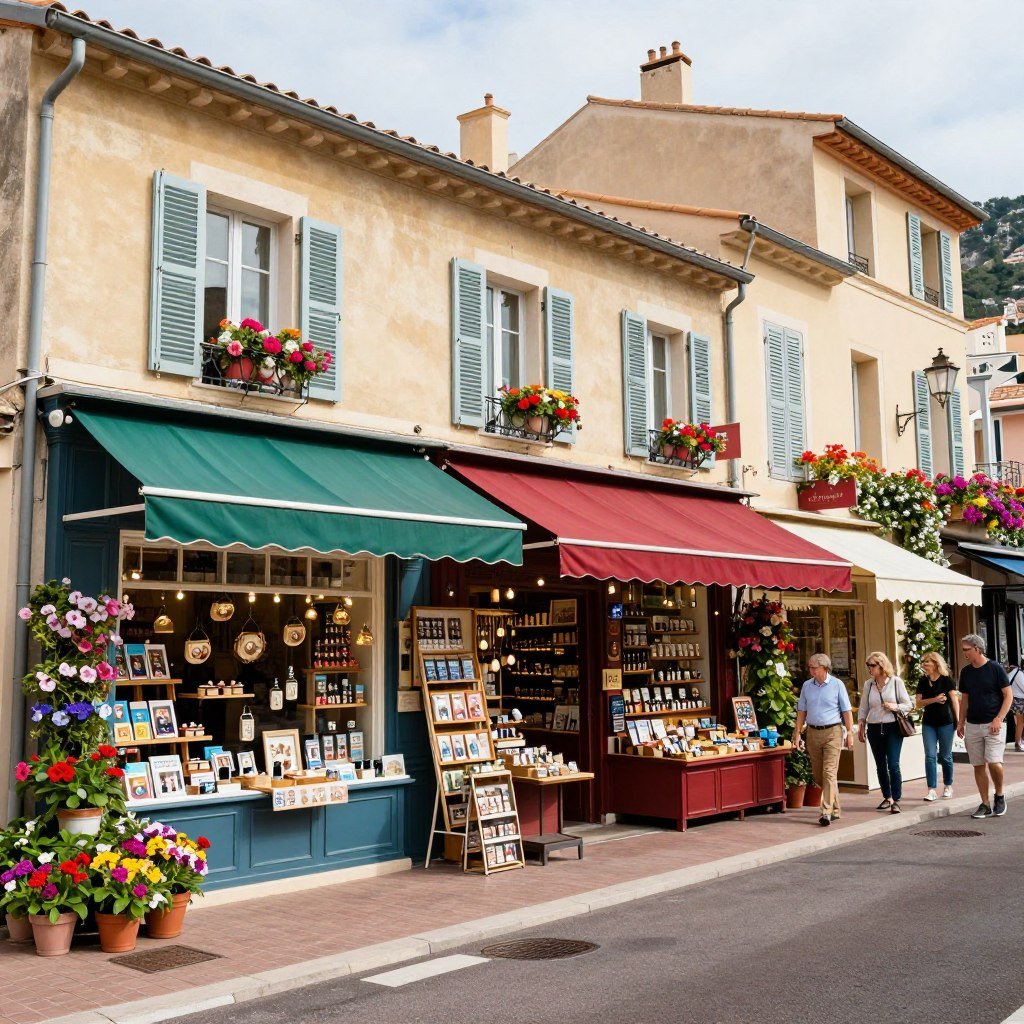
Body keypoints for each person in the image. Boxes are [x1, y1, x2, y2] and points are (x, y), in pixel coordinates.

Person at [793, 652, 855, 827]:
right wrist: (797, 733)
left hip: (833, 732)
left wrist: (849, 733)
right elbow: (801, 711)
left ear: (824, 668)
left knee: (829, 773)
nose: (810, 669)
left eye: (814, 667)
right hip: (813, 732)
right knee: (819, 776)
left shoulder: (837, 685)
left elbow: (846, 711)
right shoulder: (807, 686)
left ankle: (826, 812)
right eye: (810, 666)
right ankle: (835, 809)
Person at [957, 634, 1013, 818]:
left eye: (966, 649)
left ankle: (999, 795)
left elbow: (1008, 695)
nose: (963, 652)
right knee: (978, 765)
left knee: (994, 762)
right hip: (972, 724)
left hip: (993, 724)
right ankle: (985, 804)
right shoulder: (966, 672)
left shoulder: (995, 668)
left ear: (977, 649)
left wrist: (999, 718)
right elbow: (964, 700)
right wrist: (960, 722)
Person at [857, 652, 913, 814]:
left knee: (893, 764)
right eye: (868, 665)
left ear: (882, 666)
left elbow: (908, 704)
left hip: (892, 727)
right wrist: (861, 723)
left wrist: (895, 707)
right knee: (880, 765)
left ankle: (896, 799)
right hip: (874, 727)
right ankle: (887, 796)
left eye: (872, 665)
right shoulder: (869, 684)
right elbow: (863, 707)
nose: (869, 669)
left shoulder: (895, 682)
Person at [916, 651, 959, 800]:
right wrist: (934, 699)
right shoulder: (923, 680)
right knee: (930, 756)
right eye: (923, 662)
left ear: (935, 664)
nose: (924, 664)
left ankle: (948, 785)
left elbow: (954, 700)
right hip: (929, 723)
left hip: (946, 722)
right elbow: (918, 704)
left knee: (946, 756)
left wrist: (958, 721)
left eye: (927, 662)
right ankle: (931, 789)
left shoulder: (946, 679)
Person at [1008, 662, 1024, 753]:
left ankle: (1019, 742)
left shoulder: (1016, 672)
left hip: (1017, 700)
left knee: (1020, 722)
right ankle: (1018, 743)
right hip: (1019, 700)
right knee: (1020, 722)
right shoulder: (1019, 674)